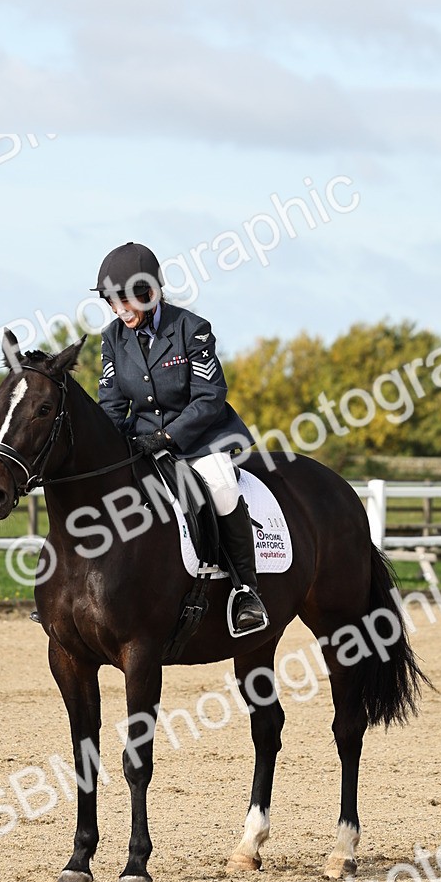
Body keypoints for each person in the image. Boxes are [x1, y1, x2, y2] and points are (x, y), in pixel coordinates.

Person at [93, 241, 268, 635]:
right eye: (112, 302)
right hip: (141, 442)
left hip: (199, 439)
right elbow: (111, 405)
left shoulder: (191, 329)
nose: (120, 311)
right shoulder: (112, 339)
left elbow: (210, 397)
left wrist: (167, 436)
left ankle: (245, 591)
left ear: (149, 292)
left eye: (126, 301)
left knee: (222, 488)